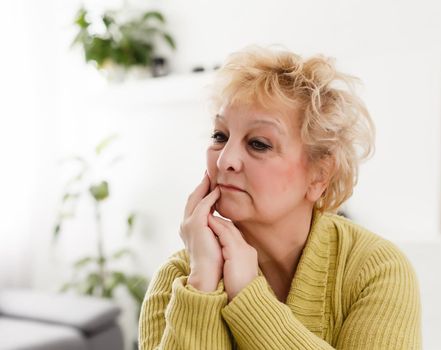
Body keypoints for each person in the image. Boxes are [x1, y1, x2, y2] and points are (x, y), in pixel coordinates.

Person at [138, 46, 422, 349]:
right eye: (220, 136)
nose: (225, 161)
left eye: (258, 144)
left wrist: (249, 297)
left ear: (319, 175)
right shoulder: (179, 277)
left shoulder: (376, 269)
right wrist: (202, 284)